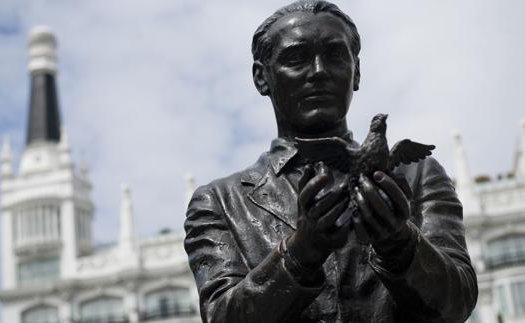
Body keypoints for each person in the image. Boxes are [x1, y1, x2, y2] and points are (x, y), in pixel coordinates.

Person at [184, 1, 478, 322]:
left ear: (357, 72)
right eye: (296, 58)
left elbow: (457, 302)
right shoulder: (219, 202)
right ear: (261, 78)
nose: (319, 71)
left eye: (335, 55)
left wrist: (400, 243)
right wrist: (299, 253)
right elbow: (222, 317)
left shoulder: (417, 174)